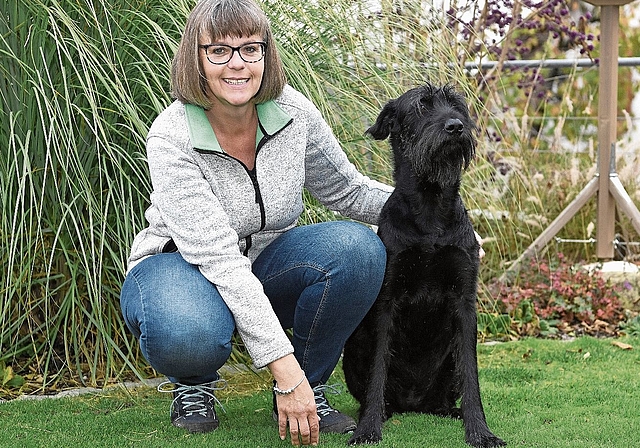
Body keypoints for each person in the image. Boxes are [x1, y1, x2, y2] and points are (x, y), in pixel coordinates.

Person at [119, 0, 393, 445]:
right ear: (196, 57)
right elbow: (221, 261)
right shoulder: (171, 136)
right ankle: (194, 383)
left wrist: (442, 217)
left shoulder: (293, 112)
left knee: (358, 249)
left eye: (250, 49)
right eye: (219, 51)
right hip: (181, 268)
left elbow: (349, 191)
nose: (237, 65)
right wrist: (281, 369)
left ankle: (311, 386)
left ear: (266, 54)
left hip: (266, 263)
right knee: (189, 331)